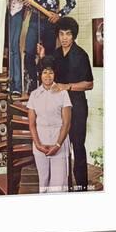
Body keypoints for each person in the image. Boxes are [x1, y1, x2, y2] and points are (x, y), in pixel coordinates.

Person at [38, 16, 94, 191]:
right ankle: (65, 187)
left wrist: (67, 86)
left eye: (68, 34)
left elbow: (89, 84)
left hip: (77, 107)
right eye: (61, 34)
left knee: (77, 146)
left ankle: (83, 187)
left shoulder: (81, 55)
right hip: (59, 109)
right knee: (61, 148)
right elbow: (45, 73)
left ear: (73, 35)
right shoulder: (55, 55)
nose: (64, 38)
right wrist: (41, 57)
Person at [25, 0, 76, 92]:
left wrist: (59, 15)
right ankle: (33, 82)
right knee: (28, 52)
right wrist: (28, 2)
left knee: (48, 57)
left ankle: (45, 86)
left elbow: (72, 2)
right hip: (35, 19)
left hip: (50, 23)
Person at [27, 56, 72, 193]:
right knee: (44, 182)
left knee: (58, 185)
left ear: (55, 74)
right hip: (40, 142)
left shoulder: (63, 93)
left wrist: (57, 145)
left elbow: (66, 123)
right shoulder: (34, 95)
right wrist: (38, 144)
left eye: (51, 72)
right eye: (44, 72)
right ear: (40, 74)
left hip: (59, 141)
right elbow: (32, 124)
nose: (47, 76)